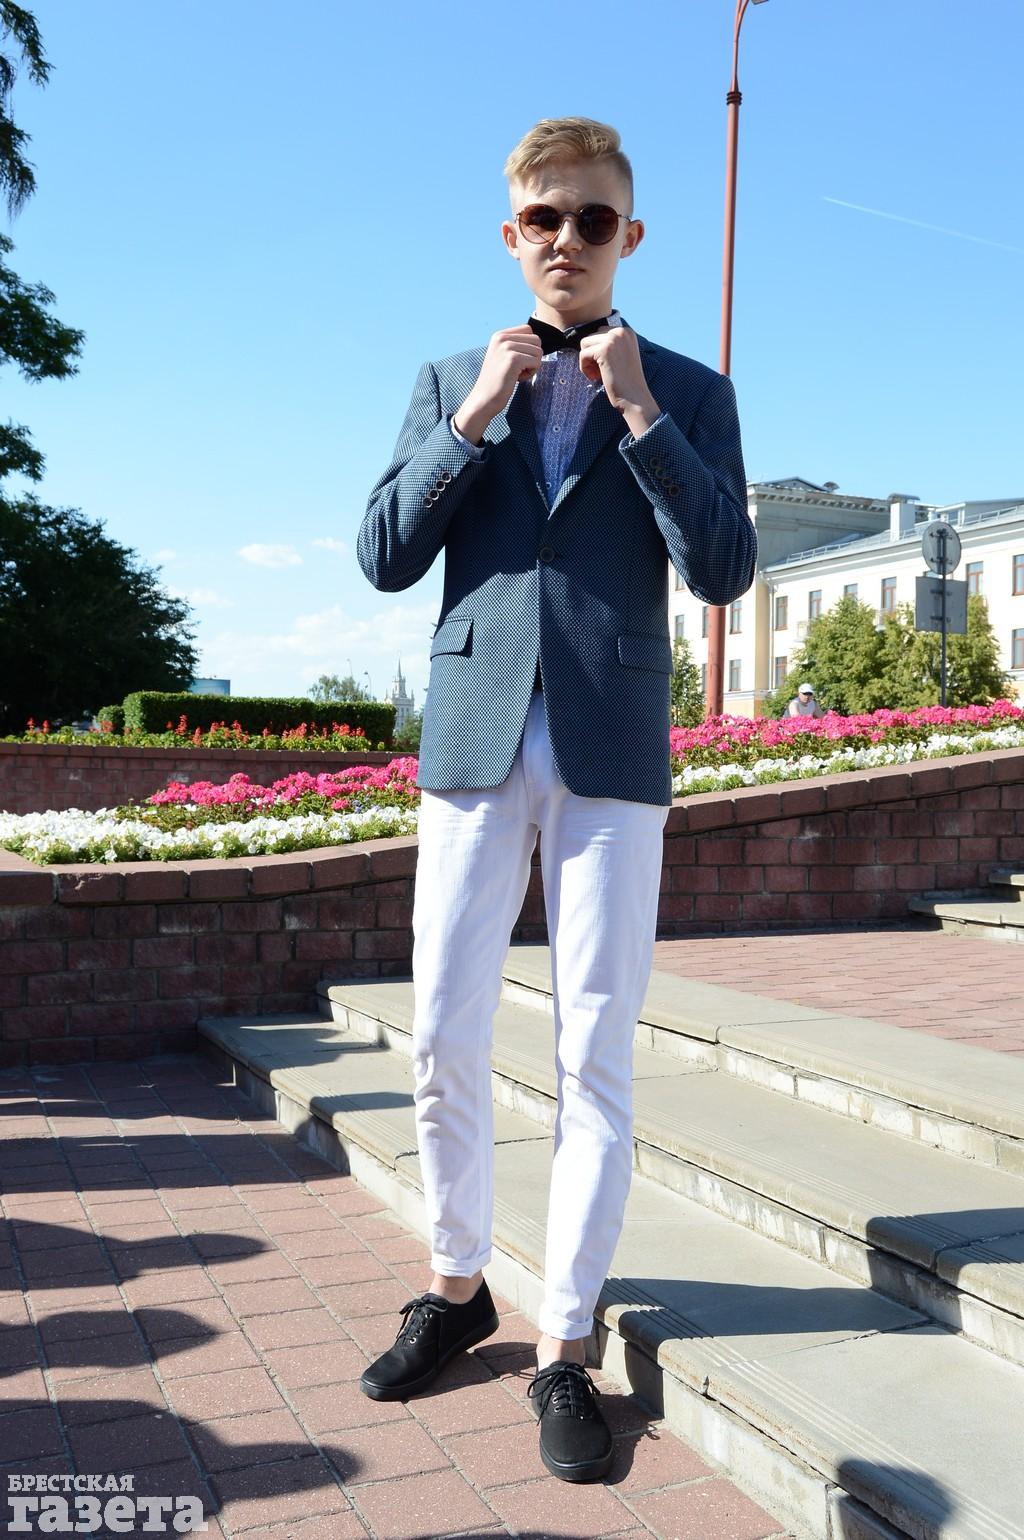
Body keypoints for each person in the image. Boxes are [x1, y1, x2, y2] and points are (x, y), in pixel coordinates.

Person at [356, 116, 755, 1483]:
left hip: (611, 743)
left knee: (597, 1048)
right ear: (511, 234)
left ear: (628, 236)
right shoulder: (447, 378)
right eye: (544, 218)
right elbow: (386, 553)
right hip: (473, 737)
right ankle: (456, 1283)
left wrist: (640, 413)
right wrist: (476, 414)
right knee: (441, 1031)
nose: (567, 240)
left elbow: (722, 567)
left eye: (593, 219)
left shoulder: (689, 390)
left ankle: (566, 1342)